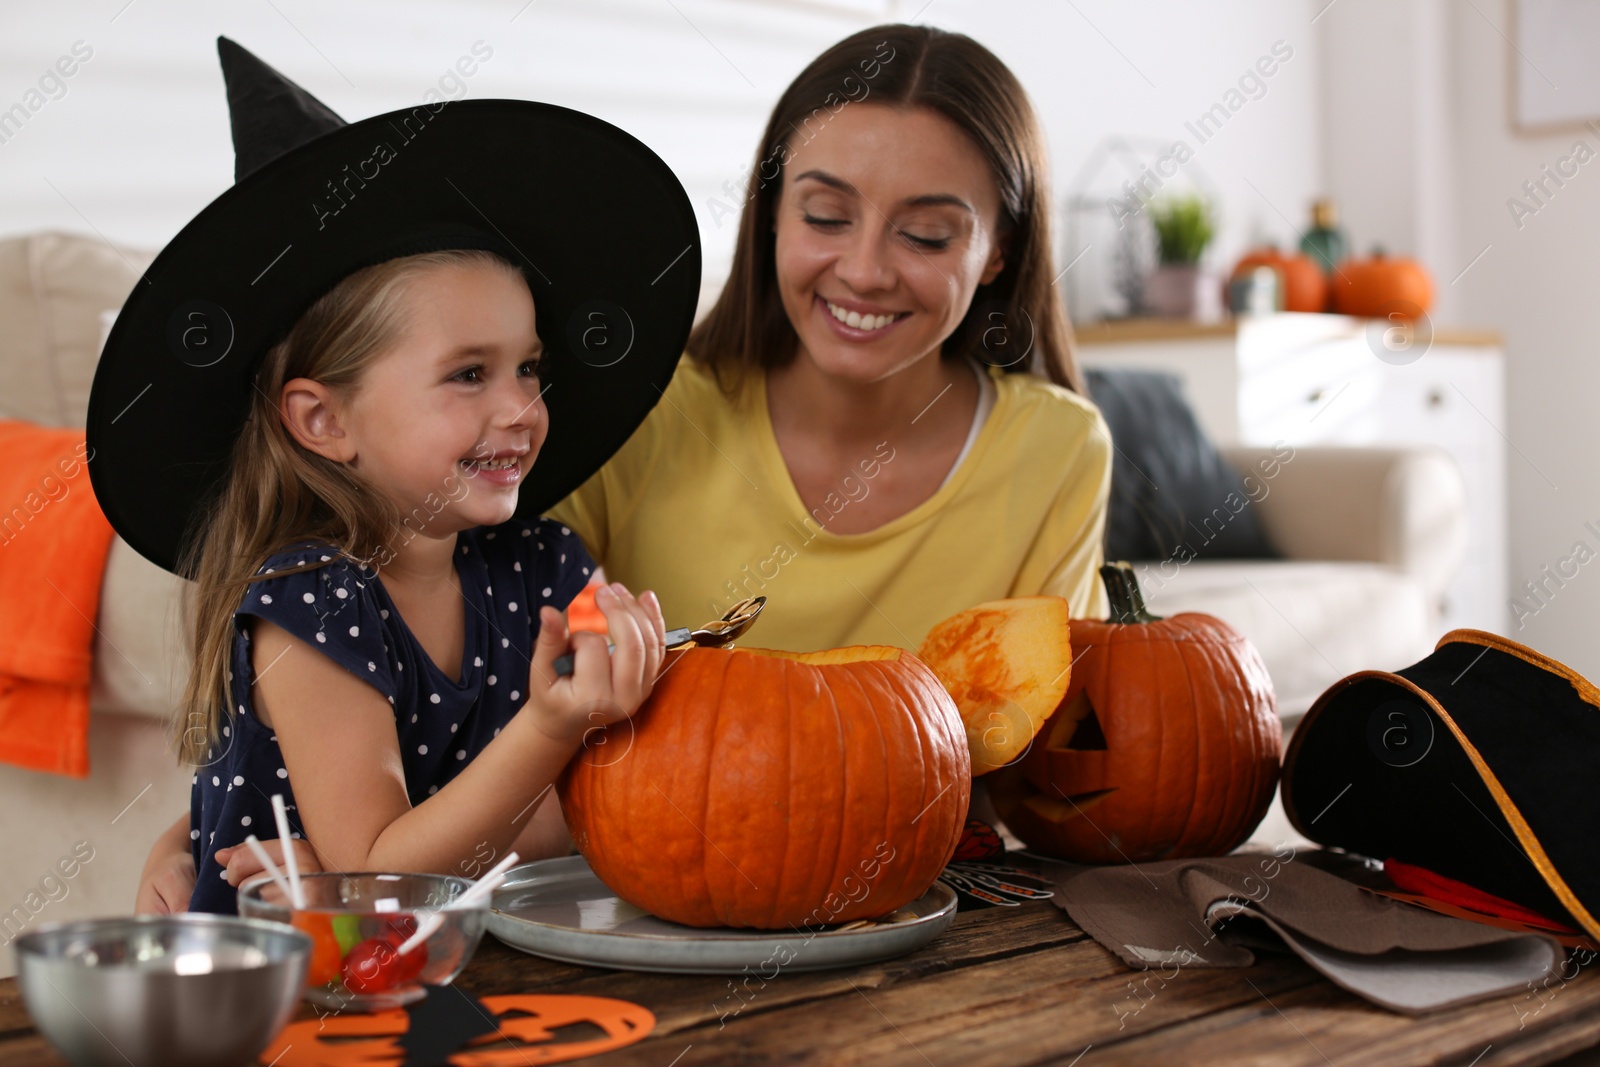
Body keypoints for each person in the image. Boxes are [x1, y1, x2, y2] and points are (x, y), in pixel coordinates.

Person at [115, 39, 700, 912]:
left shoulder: (552, 567)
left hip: (475, 965)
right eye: (469, 374)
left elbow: (599, 810)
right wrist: (551, 731)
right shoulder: (313, 599)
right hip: (294, 998)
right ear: (325, 420)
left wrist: (571, 777)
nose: (521, 408)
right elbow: (381, 872)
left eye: (530, 368)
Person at [548, 24, 1112, 652]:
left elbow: (1036, 730)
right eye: (826, 217)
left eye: (926, 234)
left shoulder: (1058, 451)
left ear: (997, 253)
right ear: (772, 213)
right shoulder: (636, 410)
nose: (864, 272)